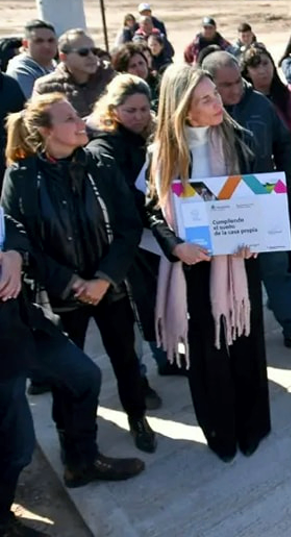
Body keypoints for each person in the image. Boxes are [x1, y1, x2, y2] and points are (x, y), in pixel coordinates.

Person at [2, 92, 154, 453]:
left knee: (126, 358)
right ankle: (74, 444)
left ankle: (137, 417)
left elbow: (129, 226)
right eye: (69, 119)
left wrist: (104, 278)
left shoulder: (100, 165)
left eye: (77, 115)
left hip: (108, 286)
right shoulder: (22, 178)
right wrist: (69, 282)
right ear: (45, 130)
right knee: (67, 374)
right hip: (59, 295)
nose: (80, 122)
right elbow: (18, 241)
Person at [146, 64, 270, 462]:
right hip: (193, 265)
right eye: (206, 99)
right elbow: (149, 211)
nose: (219, 102)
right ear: (184, 109)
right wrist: (176, 246)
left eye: (215, 93)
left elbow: (261, 196)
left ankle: (253, 425)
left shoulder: (239, 140)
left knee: (246, 342)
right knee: (208, 350)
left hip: (238, 261)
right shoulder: (162, 154)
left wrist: (257, 236)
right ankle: (220, 428)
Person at [1, 213, 144, 535]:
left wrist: (13, 255)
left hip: (23, 325)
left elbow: (12, 227)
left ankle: (83, 462)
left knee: (83, 376)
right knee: (17, 446)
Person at [202, 52, 291, 351]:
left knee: (276, 269)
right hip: (219, 213)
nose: (234, 91)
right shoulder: (201, 113)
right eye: (225, 86)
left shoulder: (259, 104)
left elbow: (283, 144)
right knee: (228, 278)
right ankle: (233, 336)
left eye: (237, 83)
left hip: (261, 204)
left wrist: (282, 186)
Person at [86, 75, 176, 386]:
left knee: (154, 303)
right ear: (113, 110)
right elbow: (119, 197)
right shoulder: (103, 147)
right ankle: (137, 381)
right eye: (130, 111)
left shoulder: (148, 138)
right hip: (121, 243)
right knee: (132, 314)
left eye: (143, 109)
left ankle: (166, 358)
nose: (138, 117)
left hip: (150, 237)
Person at [241, 45, 291, 166]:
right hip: (257, 169)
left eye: (265, 63)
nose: (262, 70)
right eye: (255, 66)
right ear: (247, 72)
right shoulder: (242, 102)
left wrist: (287, 152)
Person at [33, 29, 117, 116]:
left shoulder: (112, 77)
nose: (92, 56)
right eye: (83, 52)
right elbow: (37, 122)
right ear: (63, 57)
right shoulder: (46, 88)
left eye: (94, 51)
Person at [7, 20, 58, 100]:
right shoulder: (20, 71)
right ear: (26, 44)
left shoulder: (57, 65)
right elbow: (35, 106)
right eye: (39, 41)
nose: (47, 46)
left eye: (51, 40)